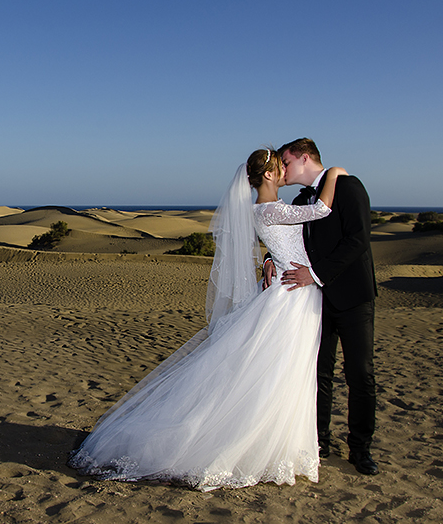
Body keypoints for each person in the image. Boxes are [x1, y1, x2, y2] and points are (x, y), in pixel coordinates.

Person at [68, 148, 347, 490]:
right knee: (283, 372)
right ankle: (265, 448)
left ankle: (282, 446)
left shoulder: (263, 210)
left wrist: (270, 260)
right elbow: (321, 210)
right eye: (282, 168)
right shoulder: (272, 209)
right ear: (271, 176)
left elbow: (286, 243)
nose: (287, 173)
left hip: (293, 291)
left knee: (287, 371)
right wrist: (333, 174)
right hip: (293, 297)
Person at [264, 138, 378, 476]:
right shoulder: (301, 200)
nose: (282, 169)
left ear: (302, 157)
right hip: (317, 302)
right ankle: (320, 441)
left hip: (354, 297)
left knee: (361, 374)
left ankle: (360, 449)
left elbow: (358, 239)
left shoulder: (348, 186)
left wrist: (314, 274)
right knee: (318, 373)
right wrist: (272, 258)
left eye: (285, 161)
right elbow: (292, 242)